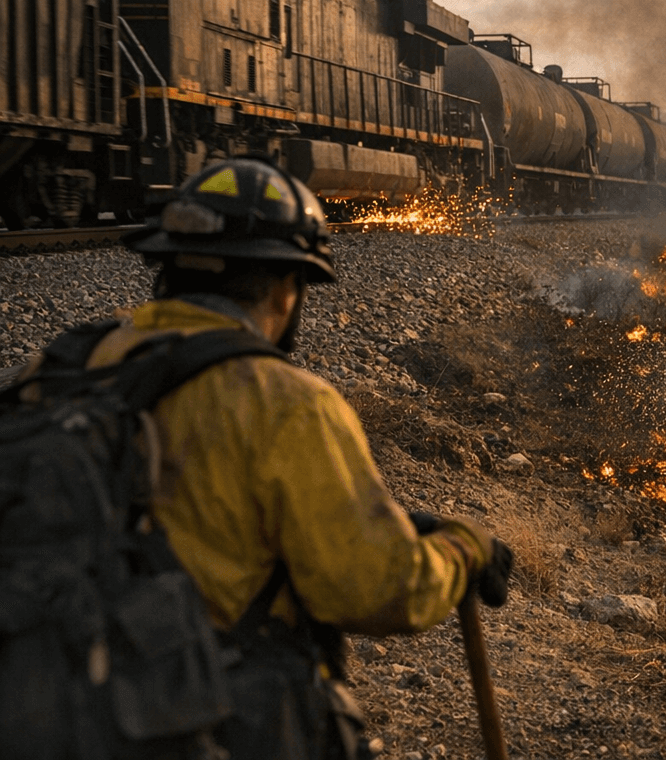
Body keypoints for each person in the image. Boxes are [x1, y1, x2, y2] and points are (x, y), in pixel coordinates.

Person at [76, 156, 510, 756]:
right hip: (191, 719)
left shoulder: (70, 367)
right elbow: (378, 588)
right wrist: (464, 548)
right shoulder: (285, 404)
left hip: (57, 702)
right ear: (287, 287)